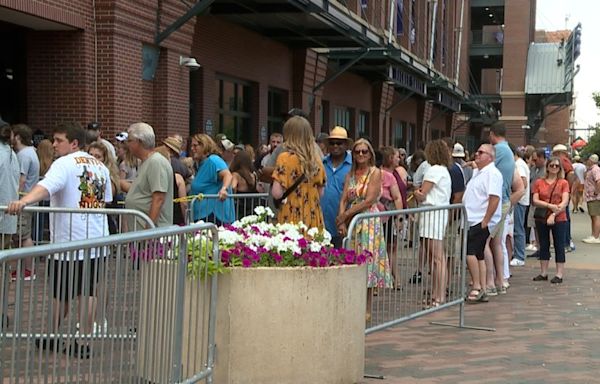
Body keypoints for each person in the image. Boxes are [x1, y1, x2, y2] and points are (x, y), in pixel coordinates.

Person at [7, 121, 112, 359]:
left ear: (74, 143)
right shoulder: (99, 165)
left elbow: (46, 187)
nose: (54, 145)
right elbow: (105, 198)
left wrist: (24, 202)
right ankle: (71, 338)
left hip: (70, 240)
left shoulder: (63, 163)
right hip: (95, 238)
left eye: (59, 140)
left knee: (65, 291)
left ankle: (66, 337)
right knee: (84, 290)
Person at [337, 139, 392, 321]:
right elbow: (344, 197)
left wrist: (346, 216)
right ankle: (353, 302)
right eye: (357, 152)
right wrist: (342, 220)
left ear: (370, 154)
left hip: (368, 221)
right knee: (352, 260)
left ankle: (367, 307)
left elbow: (369, 200)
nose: (361, 155)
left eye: (364, 152)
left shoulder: (375, 173)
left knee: (367, 262)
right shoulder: (350, 174)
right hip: (353, 221)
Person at [413, 140, 452, 306]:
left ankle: (439, 295)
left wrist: (416, 192)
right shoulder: (443, 170)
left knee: (437, 258)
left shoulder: (434, 170)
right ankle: (437, 293)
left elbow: (422, 193)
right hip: (437, 214)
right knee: (435, 257)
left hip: (432, 214)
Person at [463, 145, 502, 303]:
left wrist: (485, 220)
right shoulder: (480, 172)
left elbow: (494, 198)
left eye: (481, 153)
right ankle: (483, 288)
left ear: (490, 157)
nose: (477, 154)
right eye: (477, 151)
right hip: (473, 218)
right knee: (478, 254)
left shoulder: (492, 173)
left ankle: (477, 286)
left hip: (480, 219)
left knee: (470, 253)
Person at [272, 116, 326, 230]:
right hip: (313, 215)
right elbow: (321, 193)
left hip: (290, 214)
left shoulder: (284, 158)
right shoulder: (317, 160)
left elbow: (277, 193)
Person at [124, 122, 174, 229]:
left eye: (130, 141)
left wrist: (148, 230)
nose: (127, 144)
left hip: (152, 235)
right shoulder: (145, 162)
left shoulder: (156, 162)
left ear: (140, 142)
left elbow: (159, 198)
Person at [486, 122, 515, 295]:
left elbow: (485, 166)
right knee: (496, 242)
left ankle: (490, 282)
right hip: (503, 199)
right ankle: (500, 280)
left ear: (492, 134)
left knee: (485, 242)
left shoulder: (500, 150)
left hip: (497, 201)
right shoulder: (507, 150)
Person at [531, 157, 570, 284]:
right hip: (542, 217)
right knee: (543, 244)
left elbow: (564, 202)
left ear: (560, 168)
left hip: (559, 217)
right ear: (547, 167)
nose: (554, 168)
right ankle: (544, 272)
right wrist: (549, 206)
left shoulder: (563, 183)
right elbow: (535, 200)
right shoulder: (539, 182)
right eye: (551, 165)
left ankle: (559, 274)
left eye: (556, 166)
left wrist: (553, 214)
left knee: (559, 244)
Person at [10, 124, 40, 280]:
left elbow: (21, 180)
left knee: (23, 236)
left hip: (24, 199)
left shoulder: (23, 155)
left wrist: (14, 197)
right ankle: (26, 269)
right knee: (22, 235)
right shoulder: (31, 152)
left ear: (18, 137)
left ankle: (28, 269)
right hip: (28, 199)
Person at [189, 133, 234, 225]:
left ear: (204, 145)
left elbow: (227, 175)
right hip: (202, 216)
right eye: (191, 146)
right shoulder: (200, 164)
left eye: (195, 146)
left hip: (213, 216)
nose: (192, 149)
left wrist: (224, 189)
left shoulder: (213, 160)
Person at [321, 126, 353, 248]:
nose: (335, 146)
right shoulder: (321, 163)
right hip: (322, 225)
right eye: (332, 143)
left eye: (339, 143)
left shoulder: (353, 166)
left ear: (345, 145)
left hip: (343, 226)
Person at [552, 144, 576, 252]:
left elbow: (570, 174)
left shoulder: (562, 160)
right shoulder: (566, 160)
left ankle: (565, 243)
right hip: (563, 193)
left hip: (561, 194)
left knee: (563, 218)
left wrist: (567, 188)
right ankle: (566, 242)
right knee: (564, 217)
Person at [154, 146, 188, 225]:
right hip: (176, 219)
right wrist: (187, 221)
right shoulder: (178, 178)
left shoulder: (153, 178)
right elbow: (184, 203)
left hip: (157, 219)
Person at [510, 147, 530, 267]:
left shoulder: (518, 165)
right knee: (518, 228)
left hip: (519, 201)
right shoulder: (520, 163)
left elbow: (523, 182)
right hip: (520, 200)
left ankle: (519, 256)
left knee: (518, 229)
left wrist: (516, 194)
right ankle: (518, 254)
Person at [582, 154, 600, 243]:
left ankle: (596, 236)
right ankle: (593, 235)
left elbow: (598, 181)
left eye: (588, 160)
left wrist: (596, 192)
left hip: (594, 197)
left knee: (596, 216)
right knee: (593, 216)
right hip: (590, 196)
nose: (587, 161)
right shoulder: (591, 169)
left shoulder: (595, 169)